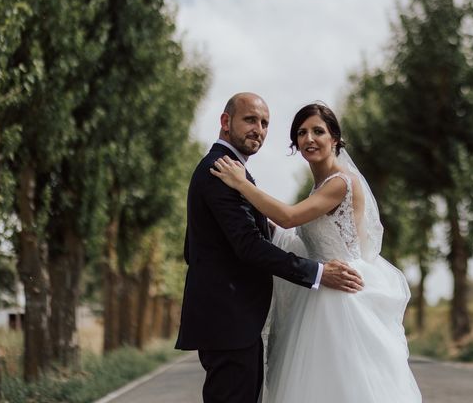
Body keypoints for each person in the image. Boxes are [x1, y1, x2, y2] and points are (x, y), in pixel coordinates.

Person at [211, 103, 422, 403]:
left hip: (343, 294)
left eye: (318, 131)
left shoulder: (341, 183)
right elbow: (298, 238)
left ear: (335, 138)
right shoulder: (319, 187)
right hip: (320, 291)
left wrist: (242, 184)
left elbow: (288, 217)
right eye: (301, 132)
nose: (309, 138)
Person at [175, 93, 364, 403]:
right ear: (225, 122)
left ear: (335, 139)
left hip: (242, 321)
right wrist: (317, 272)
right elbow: (249, 245)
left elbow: (268, 229)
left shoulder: (234, 172)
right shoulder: (222, 170)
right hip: (228, 322)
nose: (259, 129)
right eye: (250, 120)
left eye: (264, 123)